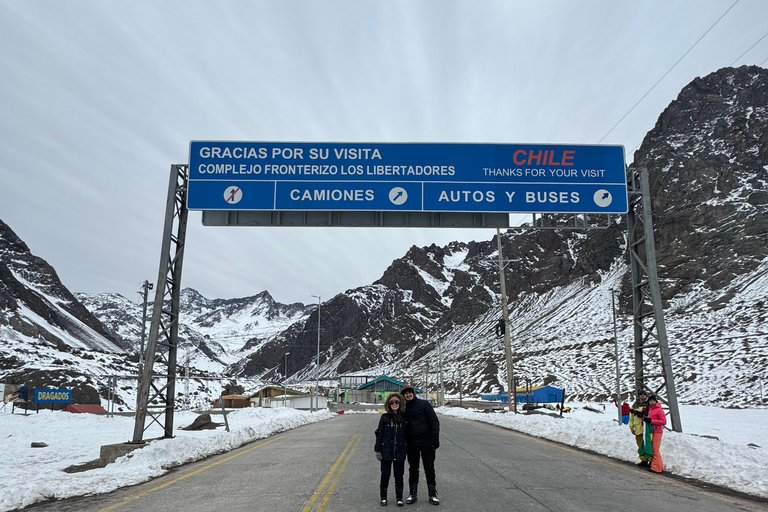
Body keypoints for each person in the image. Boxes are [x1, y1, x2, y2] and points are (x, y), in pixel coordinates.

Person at [401, 383, 440, 505]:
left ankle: (432, 494)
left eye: (409, 392)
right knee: (413, 469)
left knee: (429, 468)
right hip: (411, 444)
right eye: (405, 393)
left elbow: (434, 421)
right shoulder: (404, 408)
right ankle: (413, 494)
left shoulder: (424, 405)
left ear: (414, 393)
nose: (408, 394)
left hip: (427, 443)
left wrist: (435, 439)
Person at [375, 392, 407, 507]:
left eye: (396, 402)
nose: (394, 404)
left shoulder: (404, 417)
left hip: (400, 451)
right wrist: (378, 449)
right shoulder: (385, 417)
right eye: (391, 402)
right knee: (385, 475)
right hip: (386, 451)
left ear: (400, 403)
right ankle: (383, 497)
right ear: (388, 404)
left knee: (399, 476)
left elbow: (408, 435)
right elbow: (380, 434)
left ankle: (399, 497)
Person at [644, 394, 667, 473]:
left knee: (655, 449)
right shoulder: (649, 409)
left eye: (653, 401)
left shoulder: (659, 410)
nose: (652, 402)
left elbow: (663, 422)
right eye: (650, 401)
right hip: (651, 431)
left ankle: (656, 468)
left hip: (657, 431)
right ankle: (659, 466)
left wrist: (651, 421)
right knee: (654, 449)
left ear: (656, 402)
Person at [629, 390, 652, 466]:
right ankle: (643, 459)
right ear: (639, 396)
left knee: (648, 444)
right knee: (640, 444)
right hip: (638, 428)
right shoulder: (634, 405)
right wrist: (631, 427)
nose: (643, 395)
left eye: (644, 394)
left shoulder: (649, 404)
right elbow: (631, 417)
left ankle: (650, 459)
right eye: (641, 394)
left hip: (646, 428)